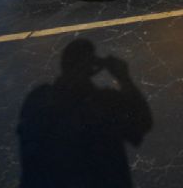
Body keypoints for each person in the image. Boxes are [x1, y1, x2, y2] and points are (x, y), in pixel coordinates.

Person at [18, 39, 152, 187]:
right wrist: (124, 78)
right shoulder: (104, 104)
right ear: (93, 68)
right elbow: (143, 122)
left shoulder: (38, 99)